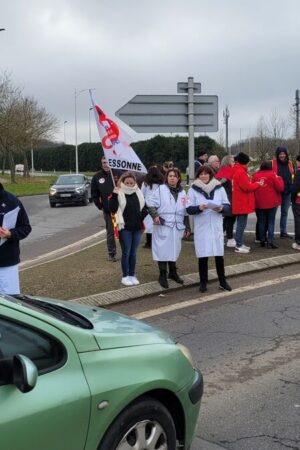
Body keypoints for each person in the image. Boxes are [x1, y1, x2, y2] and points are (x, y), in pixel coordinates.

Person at [187, 165, 232, 293]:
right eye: (201, 174)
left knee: (219, 255)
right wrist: (199, 208)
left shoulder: (219, 188)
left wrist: (221, 208)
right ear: (198, 176)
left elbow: (228, 205)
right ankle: (203, 282)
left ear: (211, 175)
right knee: (203, 256)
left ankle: (222, 281)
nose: (204, 176)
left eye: (206, 174)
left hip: (216, 225)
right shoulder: (192, 190)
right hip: (202, 226)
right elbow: (188, 208)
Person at [147, 167, 190, 289]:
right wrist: (155, 216)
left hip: (177, 226)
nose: (172, 178)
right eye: (170, 176)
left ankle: (173, 272)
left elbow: (185, 211)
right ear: (167, 178)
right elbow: (150, 203)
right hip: (164, 224)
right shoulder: (161, 189)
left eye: (175, 176)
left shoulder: (183, 192)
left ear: (178, 178)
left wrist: (187, 227)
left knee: (174, 249)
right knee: (162, 250)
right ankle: (162, 274)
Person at [108, 172, 147, 286]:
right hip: (125, 228)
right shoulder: (118, 192)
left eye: (131, 183)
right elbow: (112, 209)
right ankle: (125, 276)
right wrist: (114, 195)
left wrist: (140, 217)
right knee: (126, 252)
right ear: (122, 182)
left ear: (135, 182)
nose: (129, 184)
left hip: (137, 228)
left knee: (134, 253)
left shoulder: (138, 192)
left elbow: (145, 208)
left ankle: (132, 274)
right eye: (127, 183)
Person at [0, 183, 31, 294]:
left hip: (6, 265)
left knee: (10, 303)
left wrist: (10, 234)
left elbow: (26, 227)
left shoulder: (12, 202)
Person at [232, 152, 263, 253]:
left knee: (242, 224)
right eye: (248, 163)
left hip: (241, 202)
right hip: (241, 202)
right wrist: (257, 184)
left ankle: (240, 243)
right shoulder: (241, 172)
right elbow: (247, 187)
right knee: (241, 224)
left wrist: (253, 184)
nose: (249, 165)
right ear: (245, 162)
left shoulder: (239, 170)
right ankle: (238, 245)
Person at [91, 156, 119, 262]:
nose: (106, 164)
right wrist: (100, 205)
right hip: (108, 211)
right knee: (110, 233)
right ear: (101, 164)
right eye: (103, 162)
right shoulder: (97, 177)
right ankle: (112, 254)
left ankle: (126, 252)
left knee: (123, 232)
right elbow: (94, 193)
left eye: (107, 162)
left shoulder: (118, 174)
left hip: (121, 209)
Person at [252, 161, 284, 248]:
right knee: (271, 222)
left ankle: (262, 240)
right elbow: (280, 188)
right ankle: (270, 241)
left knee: (261, 221)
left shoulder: (255, 175)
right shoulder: (272, 174)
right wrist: (279, 178)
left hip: (259, 202)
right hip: (271, 202)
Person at [272, 145, 294, 238]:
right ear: (277, 154)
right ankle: (270, 233)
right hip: (276, 192)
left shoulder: (290, 163)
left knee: (284, 213)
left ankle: (283, 232)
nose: (282, 155)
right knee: (272, 213)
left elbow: (293, 175)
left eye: (283, 153)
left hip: (287, 192)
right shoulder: (273, 163)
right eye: (280, 154)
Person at [141, 166, 164, 248]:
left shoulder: (146, 183)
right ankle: (157, 242)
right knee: (157, 223)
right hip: (158, 205)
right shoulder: (161, 183)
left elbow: (141, 194)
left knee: (148, 225)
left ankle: (149, 243)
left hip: (148, 205)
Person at [215, 155, 236, 247]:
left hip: (222, 198)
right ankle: (230, 239)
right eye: (232, 161)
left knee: (226, 219)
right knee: (230, 219)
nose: (234, 163)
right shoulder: (229, 171)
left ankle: (218, 236)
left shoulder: (220, 171)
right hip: (229, 198)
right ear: (227, 162)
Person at [290, 154, 300, 250]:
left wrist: (292, 200)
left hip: (298, 201)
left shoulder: (298, 172)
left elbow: (295, 188)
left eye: (297, 161)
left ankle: (298, 243)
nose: (296, 163)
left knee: (298, 222)